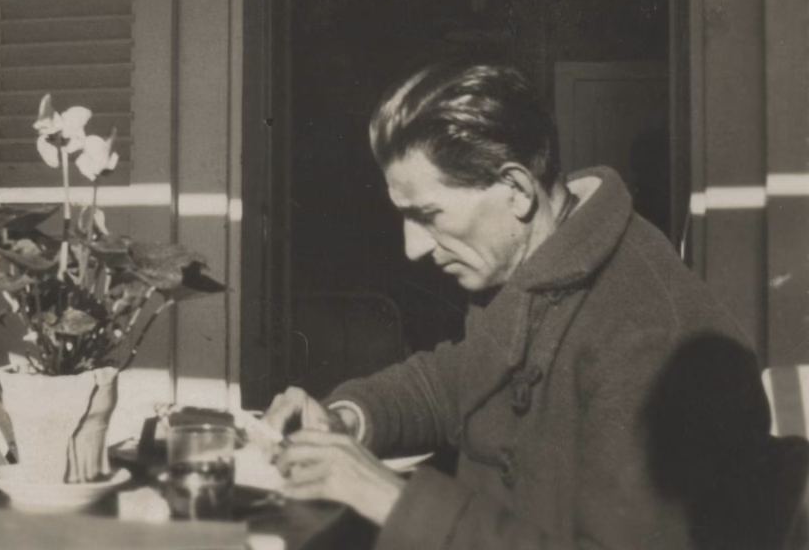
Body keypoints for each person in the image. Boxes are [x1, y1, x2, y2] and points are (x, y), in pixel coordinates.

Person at [263, 63, 778, 549]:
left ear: (516, 190)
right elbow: (460, 377)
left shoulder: (652, 336)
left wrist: (391, 498)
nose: (412, 248)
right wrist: (351, 417)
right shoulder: (543, 261)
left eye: (429, 214)